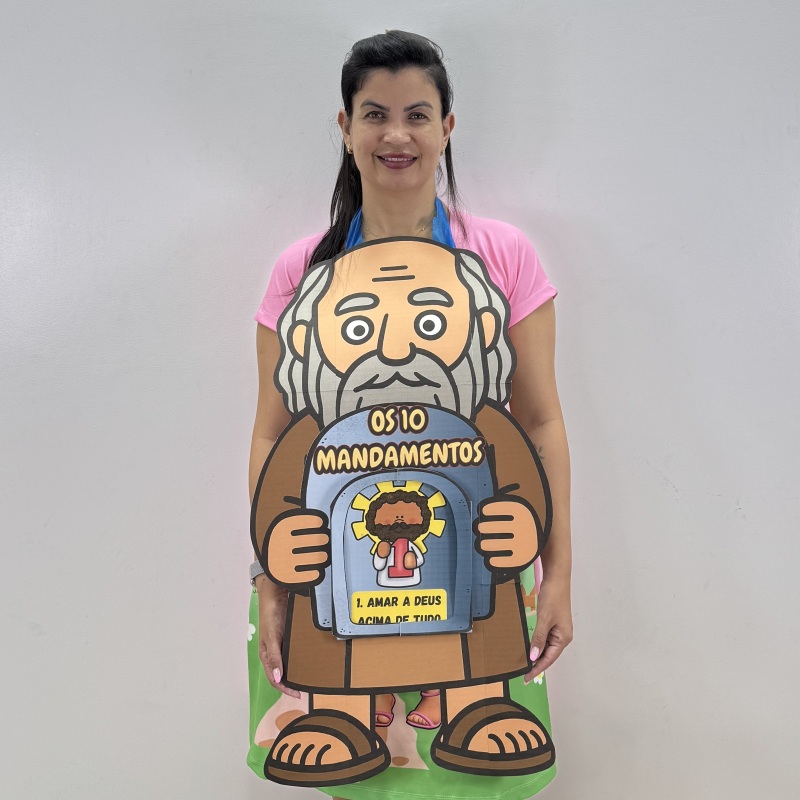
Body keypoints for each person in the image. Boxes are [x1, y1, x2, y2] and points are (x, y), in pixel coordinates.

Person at [248, 30, 573, 800]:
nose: (396, 135)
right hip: (330, 557)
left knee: (482, 774)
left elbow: (539, 422)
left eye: (417, 114)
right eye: (375, 114)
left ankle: (475, 710)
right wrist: (271, 571)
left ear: (447, 127)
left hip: (476, 547)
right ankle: (341, 720)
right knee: (358, 771)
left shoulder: (502, 255)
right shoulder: (302, 269)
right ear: (346, 127)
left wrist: (557, 570)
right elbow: (272, 434)